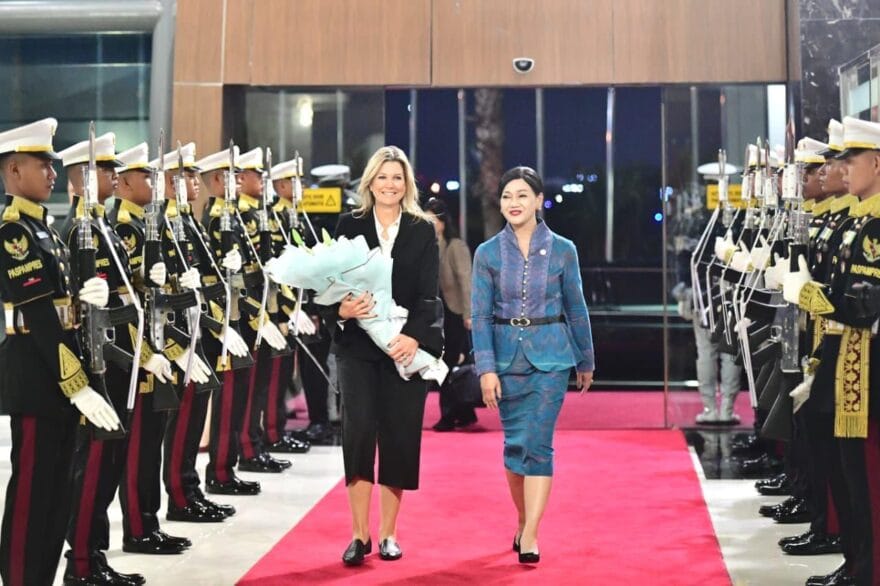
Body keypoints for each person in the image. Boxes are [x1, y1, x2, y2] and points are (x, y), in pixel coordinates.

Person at [0, 119, 119, 586]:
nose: (52, 173)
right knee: (32, 492)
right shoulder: (14, 234)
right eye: (41, 164)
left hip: (57, 375)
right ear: (13, 172)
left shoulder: (44, 229)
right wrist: (77, 382)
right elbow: (41, 317)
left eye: (52, 165)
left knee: (56, 494)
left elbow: (63, 310)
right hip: (35, 375)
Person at [323, 145, 442, 566]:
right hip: (357, 349)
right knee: (357, 437)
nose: (389, 185)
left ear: (406, 184)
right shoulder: (347, 224)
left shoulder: (423, 229)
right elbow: (327, 286)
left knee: (399, 435)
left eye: (397, 178)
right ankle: (360, 535)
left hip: (403, 351)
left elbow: (430, 295)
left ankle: (390, 533)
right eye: (382, 177)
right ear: (370, 182)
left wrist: (414, 338)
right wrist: (340, 310)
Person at [471, 166, 594, 564]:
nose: (514, 203)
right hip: (506, 359)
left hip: (552, 358)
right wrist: (486, 369)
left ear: (539, 200)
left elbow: (576, 307)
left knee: (539, 443)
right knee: (515, 446)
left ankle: (532, 535)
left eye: (522, 195)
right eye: (507, 196)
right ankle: (523, 520)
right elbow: (481, 314)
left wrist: (585, 358)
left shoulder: (563, 249)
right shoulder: (487, 253)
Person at [424, 197, 477, 431]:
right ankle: (464, 413)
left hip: (454, 314)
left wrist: (469, 313)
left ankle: (448, 415)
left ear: (443, 222)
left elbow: (467, 281)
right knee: (446, 364)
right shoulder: (427, 247)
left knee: (446, 364)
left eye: (431, 219)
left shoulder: (455, 246)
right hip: (436, 316)